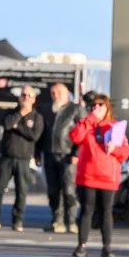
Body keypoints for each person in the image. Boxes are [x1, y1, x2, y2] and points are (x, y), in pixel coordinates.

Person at [70, 94, 129, 257]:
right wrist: (90, 118)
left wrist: (115, 149)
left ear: (107, 108)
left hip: (107, 177)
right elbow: (75, 137)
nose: (97, 109)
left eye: (101, 106)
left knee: (106, 211)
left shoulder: (115, 127)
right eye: (94, 106)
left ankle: (107, 247)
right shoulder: (86, 124)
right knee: (87, 211)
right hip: (88, 176)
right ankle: (81, 246)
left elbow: (125, 152)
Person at [0, 86, 44, 232]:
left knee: (21, 191)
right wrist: (20, 114)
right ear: (19, 97)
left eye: (29, 95)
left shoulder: (37, 117)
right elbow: (7, 124)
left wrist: (17, 127)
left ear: (34, 98)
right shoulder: (12, 112)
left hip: (24, 159)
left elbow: (34, 136)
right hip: (7, 157)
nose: (26, 98)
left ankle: (18, 221)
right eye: (23, 95)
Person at [41, 83, 85, 233]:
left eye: (59, 92)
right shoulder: (46, 110)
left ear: (67, 93)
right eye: (53, 93)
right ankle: (57, 220)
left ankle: (71, 221)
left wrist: (76, 153)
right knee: (53, 191)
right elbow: (41, 132)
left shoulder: (76, 109)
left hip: (68, 156)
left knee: (69, 190)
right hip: (49, 154)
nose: (56, 96)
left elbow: (84, 133)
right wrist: (37, 153)